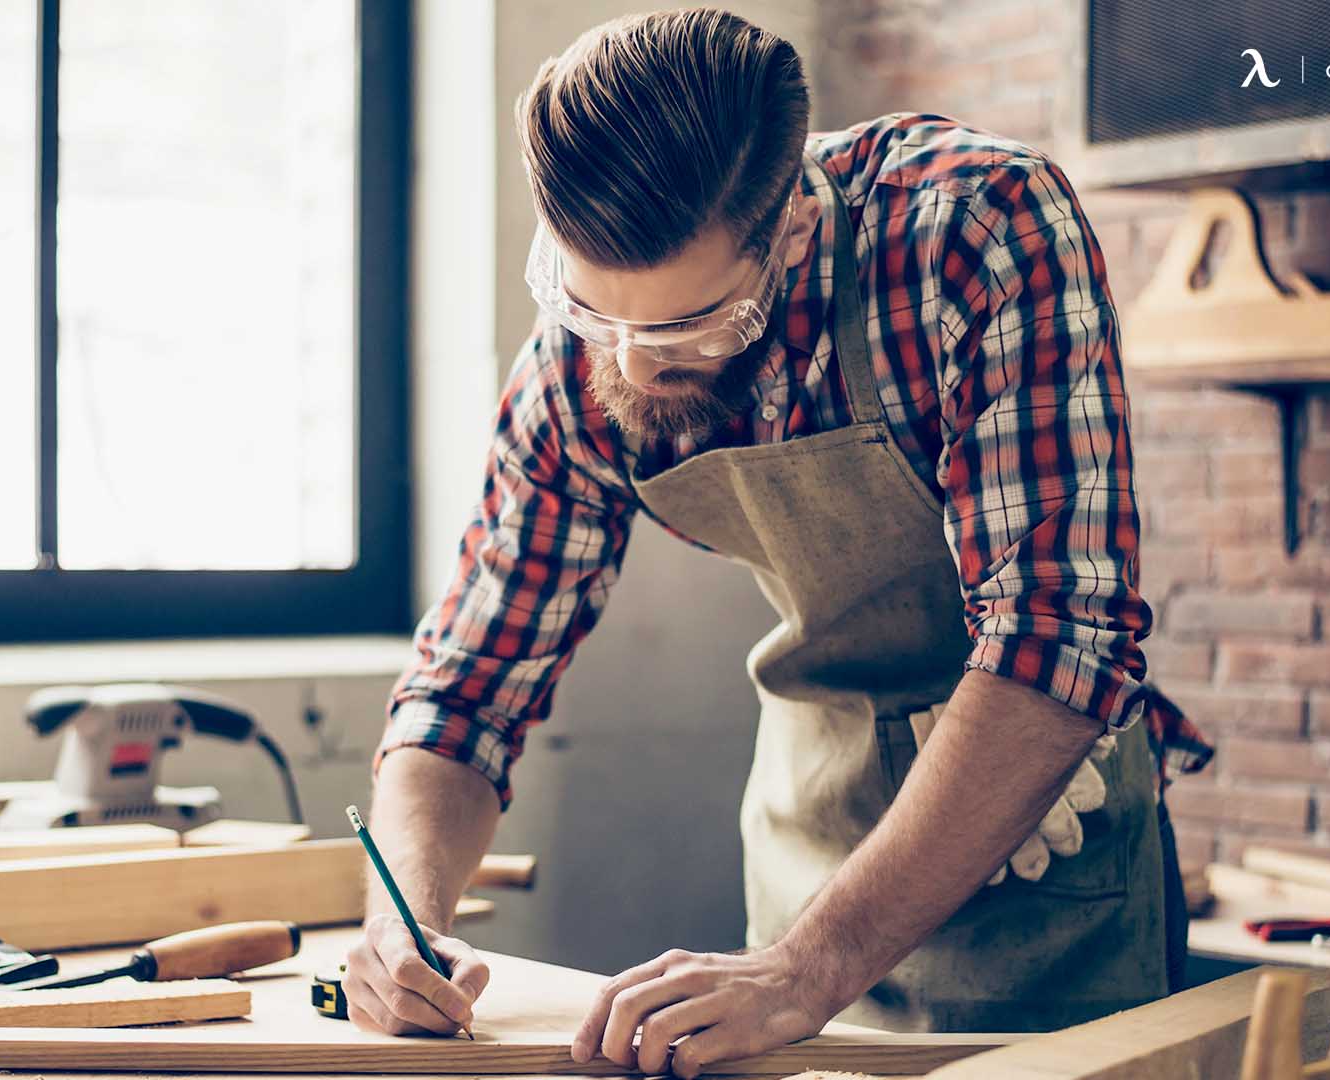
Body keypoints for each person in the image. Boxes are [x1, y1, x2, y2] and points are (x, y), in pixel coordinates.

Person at [344, 8, 1212, 1074]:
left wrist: (809, 965)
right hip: (813, 845)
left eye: (683, 328)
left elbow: (1061, 636)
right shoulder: (587, 352)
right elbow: (467, 690)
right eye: (590, 308)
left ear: (793, 225)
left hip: (1047, 844)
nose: (633, 362)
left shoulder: (974, 231)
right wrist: (402, 918)